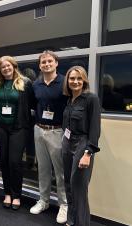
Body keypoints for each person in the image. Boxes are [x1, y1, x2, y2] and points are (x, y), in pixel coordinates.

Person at [0, 56, 35, 210]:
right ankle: (7, 193)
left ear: (14, 66)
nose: (6, 69)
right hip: (0, 126)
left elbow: (33, 104)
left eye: (8, 66)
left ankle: (16, 195)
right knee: (3, 160)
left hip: (19, 128)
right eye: (2, 67)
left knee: (14, 162)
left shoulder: (25, 83)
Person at [30, 50, 68, 224]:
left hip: (57, 131)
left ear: (56, 63)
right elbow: (33, 105)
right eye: (43, 62)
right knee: (43, 169)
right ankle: (44, 200)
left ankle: (64, 204)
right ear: (40, 65)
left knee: (60, 172)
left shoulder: (64, 83)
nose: (46, 64)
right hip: (39, 129)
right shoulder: (36, 84)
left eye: (49, 61)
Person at [62, 66, 101, 226]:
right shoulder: (69, 99)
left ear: (84, 80)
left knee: (79, 188)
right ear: (67, 81)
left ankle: (82, 223)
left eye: (79, 78)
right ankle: (71, 220)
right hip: (67, 142)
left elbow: (95, 128)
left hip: (82, 144)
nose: (75, 81)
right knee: (68, 185)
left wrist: (88, 153)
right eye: (72, 78)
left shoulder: (91, 99)